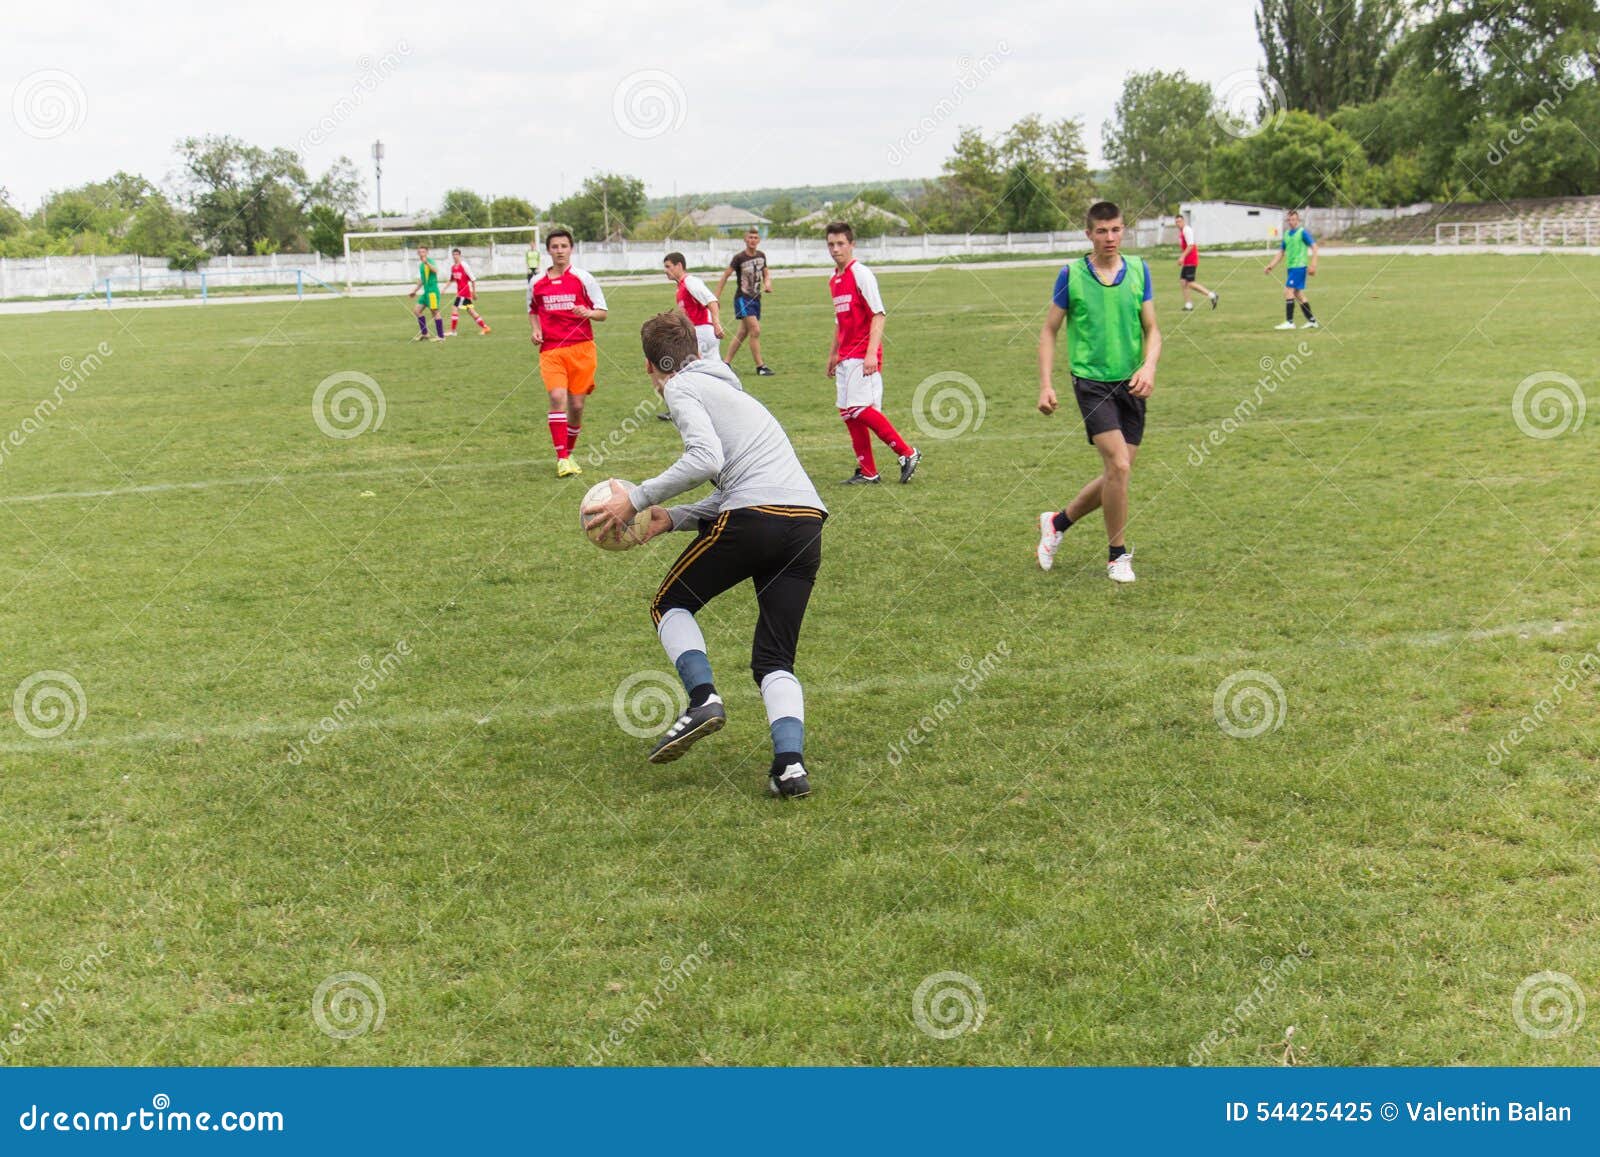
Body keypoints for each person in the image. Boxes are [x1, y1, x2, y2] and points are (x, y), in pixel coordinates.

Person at [583, 311, 826, 799]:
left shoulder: (680, 388)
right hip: (805, 524)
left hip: (755, 519)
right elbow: (741, 479)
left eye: (650, 370)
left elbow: (706, 460)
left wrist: (635, 499)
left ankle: (703, 699)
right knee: (775, 658)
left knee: (669, 604)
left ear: (655, 366)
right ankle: (790, 767)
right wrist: (673, 517)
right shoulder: (732, 391)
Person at [1035, 201, 1163, 585]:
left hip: (1132, 383)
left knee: (1116, 474)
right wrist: (1046, 384)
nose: (1110, 238)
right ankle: (1117, 556)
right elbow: (1048, 331)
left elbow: (1153, 330)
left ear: (1124, 231)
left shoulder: (1140, 270)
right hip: (1091, 383)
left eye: (1117, 230)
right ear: (1089, 234)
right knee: (1120, 467)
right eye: (1102, 231)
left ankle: (1056, 523)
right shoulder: (1071, 274)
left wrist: (1149, 365)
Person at [825, 221, 920, 485]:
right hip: (845, 354)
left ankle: (907, 452)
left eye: (840, 243)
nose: (835, 249)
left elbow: (878, 314)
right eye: (831, 244)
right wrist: (833, 354)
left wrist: (871, 354)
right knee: (847, 411)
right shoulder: (834, 279)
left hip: (861, 353)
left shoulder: (861, 274)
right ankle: (868, 471)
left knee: (859, 407)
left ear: (852, 244)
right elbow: (839, 321)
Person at [529, 229, 609, 478]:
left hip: (582, 349)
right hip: (551, 350)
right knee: (556, 397)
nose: (560, 250)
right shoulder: (536, 283)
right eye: (555, 246)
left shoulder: (583, 278)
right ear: (549, 250)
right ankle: (562, 458)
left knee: (576, 405)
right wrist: (535, 330)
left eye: (564, 246)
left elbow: (603, 312)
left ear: (571, 249)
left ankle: (569, 452)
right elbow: (533, 310)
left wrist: (588, 312)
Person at [716, 228, 774, 374]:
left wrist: (768, 283)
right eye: (750, 237)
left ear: (759, 240)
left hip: (756, 299)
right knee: (755, 330)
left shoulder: (761, 256)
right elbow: (725, 276)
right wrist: (716, 297)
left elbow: (766, 273)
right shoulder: (739, 258)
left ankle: (725, 363)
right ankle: (760, 367)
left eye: (755, 237)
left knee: (742, 332)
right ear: (745, 240)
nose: (753, 240)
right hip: (743, 298)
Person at [1263, 209, 1319, 330]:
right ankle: (1312, 321)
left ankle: (1290, 322)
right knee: (1298, 293)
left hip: (1299, 267)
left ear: (1298, 220)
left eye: (1294, 219)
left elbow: (1315, 247)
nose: (1291, 222)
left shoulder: (1302, 232)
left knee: (1288, 291)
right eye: (1289, 220)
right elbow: (1281, 252)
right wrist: (1271, 265)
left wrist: (1313, 264)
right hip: (1291, 268)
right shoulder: (1287, 234)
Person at [663, 252, 723, 362]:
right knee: (712, 369)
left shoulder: (690, 281)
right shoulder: (681, 286)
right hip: (698, 332)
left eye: (668, 266)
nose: (665, 271)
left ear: (679, 266)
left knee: (692, 368)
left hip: (702, 332)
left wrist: (716, 324)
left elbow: (712, 301)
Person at [1174, 213, 1219, 311]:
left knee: (1190, 283)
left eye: (1179, 221)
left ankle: (1212, 295)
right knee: (1183, 282)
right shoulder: (1182, 232)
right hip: (1186, 261)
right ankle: (1188, 305)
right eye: (1176, 222)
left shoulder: (1187, 230)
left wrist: (1182, 257)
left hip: (1191, 260)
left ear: (1183, 221)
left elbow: (1191, 245)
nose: (1178, 223)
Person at [445, 248, 491, 336]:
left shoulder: (464, 265)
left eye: (456, 254)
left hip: (464, 293)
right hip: (461, 293)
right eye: (453, 255)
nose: (455, 256)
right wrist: (444, 289)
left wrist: (474, 292)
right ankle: (485, 327)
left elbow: (473, 279)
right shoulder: (453, 267)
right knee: (471, 311)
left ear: (459, 255)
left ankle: (453, 331)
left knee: (454, 308)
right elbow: (451, 279)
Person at [405, 245, 445, 342]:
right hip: (425, 293)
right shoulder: (421, 265)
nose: (421, 254)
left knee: (435, 313)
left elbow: (436, 271)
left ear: (427, 253)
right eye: (419, 252)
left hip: (432, 292)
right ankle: (425, 334)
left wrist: (427, 262)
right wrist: (414, 291)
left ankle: (441, 336)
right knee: (416, 311)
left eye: (423, 252)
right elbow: (422, 280)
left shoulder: (429, 261)